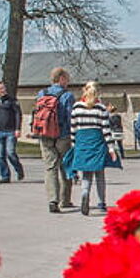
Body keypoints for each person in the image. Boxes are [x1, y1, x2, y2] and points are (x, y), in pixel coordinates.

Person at [66, 81, 120, 215]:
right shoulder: (101, 108)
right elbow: (106, 130)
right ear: (97, 93)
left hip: (82, 143)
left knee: (86, 175)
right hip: (97, 142)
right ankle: (101, 203)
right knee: (100, 175)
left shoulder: (76, 107)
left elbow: (72, 129)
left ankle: (85, 194)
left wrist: (74, 145)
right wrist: (111, 148)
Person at [37, 67, 76, 213]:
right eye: (67, 79)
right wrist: (73, 136)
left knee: (50, 167)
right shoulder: (67, 96)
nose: (68, 82)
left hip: (45, 134)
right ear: (61, 79)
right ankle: (65, 200)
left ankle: (52, 200)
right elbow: (70, 116)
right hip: (62, 135)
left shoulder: (42, 93)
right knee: (65, 165)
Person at [0, 81, 25, 184]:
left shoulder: (11, 100)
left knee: (11, 153)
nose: (2, 90)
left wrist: (18, 129)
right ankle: (5, 176)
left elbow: (18, 114)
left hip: (11, 131)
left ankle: (18, 168)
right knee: (1, 155)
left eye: (3, 88)